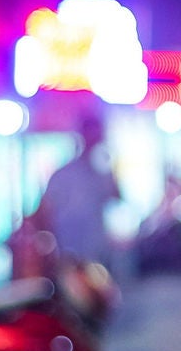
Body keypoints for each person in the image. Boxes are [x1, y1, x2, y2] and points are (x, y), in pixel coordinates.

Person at [34, 114, 120, 267]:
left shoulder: (101, 173)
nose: (95, 139)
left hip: (97, 254)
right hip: (68, 254)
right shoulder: (64, 174)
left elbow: (117, 197)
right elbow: (44, 211)